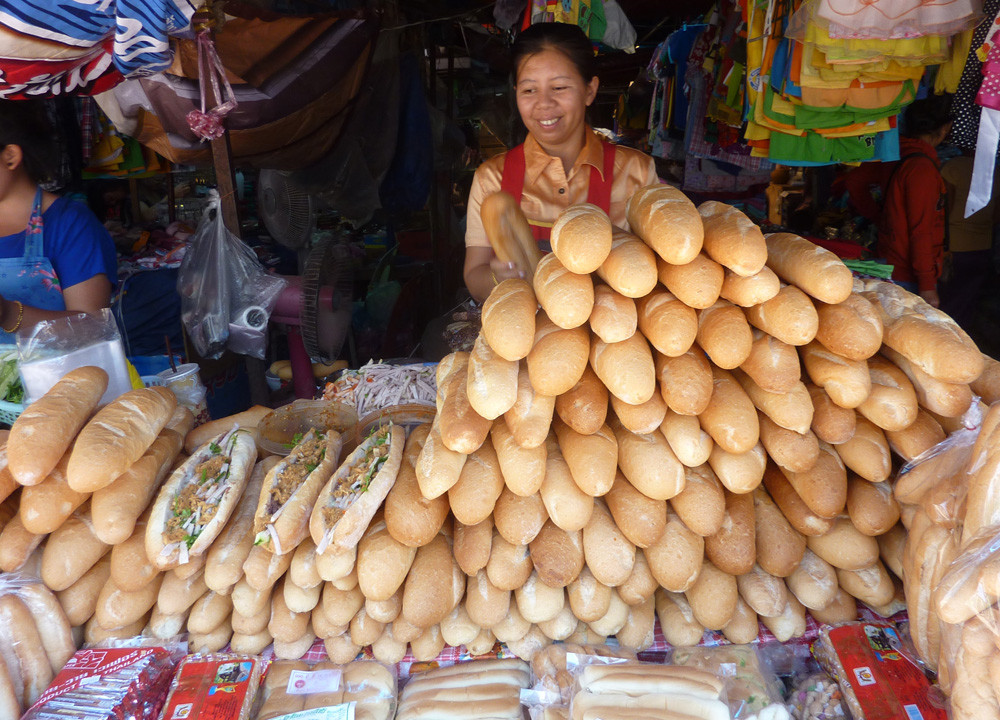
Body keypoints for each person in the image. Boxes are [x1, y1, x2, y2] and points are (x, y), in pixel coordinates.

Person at [463, 22, 657, 303]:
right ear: (516, 92)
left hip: (615, 336)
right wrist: (498, 279)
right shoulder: (491, 179)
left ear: (590, 90)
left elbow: (656, 275)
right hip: (529, 336)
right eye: (529, 90)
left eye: (559, 87)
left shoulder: (637, 172)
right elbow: (474, 274)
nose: (544, 104)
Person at [0, 101, 117, 340]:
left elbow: (94, 328)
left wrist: (8, 313)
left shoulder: (70, 224)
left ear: (10, 156)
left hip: (59, 376)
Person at [876, 94, 952, 308]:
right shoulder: (922, 169)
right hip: (906, 272)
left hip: (891, 258)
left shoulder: (895, 154)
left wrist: (884, 218)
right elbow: (921, 231)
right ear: (944, 129)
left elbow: (855, 181)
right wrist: (928, 286)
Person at [939, 151, 997, 331]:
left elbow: (944, 207)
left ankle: (944, 338)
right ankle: (961, 340)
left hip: (954, 242)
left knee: (947, 298)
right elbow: (996, 216)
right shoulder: (995, 170)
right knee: (968, 299)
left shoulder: (953, 166)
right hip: (982, 244)